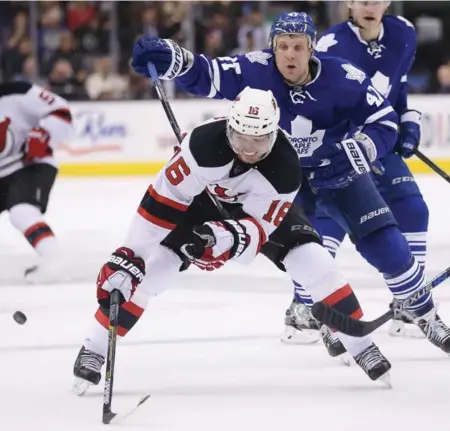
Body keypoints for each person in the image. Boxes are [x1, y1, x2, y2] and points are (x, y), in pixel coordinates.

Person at [130, 11, 450, 358]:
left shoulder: (343, 75)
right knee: (308, 254)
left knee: (386, 243)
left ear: (312, 48)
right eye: (282, 46)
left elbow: (384, 120)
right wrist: (170, 58)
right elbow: (207, 74)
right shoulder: (256, 68)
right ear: (273, 48)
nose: (290, 55)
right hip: (282, 181)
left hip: (337, 174)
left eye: (298, 47)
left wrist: (360, 148)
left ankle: (425, 312)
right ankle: (324, 319)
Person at [73, 88, 391, 396]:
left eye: (259, 140)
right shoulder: (201, 146)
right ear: (229, 127)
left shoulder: (285, 167)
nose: (249, 149)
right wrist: (130, 255)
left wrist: (225, 241)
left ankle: (360, 344)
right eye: (241, 138)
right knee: (153, 269)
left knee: (314, 262)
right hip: (199, 204)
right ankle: (95, 348)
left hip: (254, 214)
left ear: (274, 134)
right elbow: (159, 205)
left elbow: (258, 229)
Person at [292, 1, 427, 342]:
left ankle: (408, 303)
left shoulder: (404, 32)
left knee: (413, 209)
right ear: (348, 3)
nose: (369, 6)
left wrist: (406, 122)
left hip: (378, 141)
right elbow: (317, 102)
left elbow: (399, 87)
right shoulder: (329, 45)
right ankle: (302, 308)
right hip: (341, 146)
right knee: (328, 226)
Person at [0, 81, 73, 283]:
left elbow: (60, 109)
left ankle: (54, 259)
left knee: (21, 211)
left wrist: (45, 132)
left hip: (30, 164)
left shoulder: (17, 91)